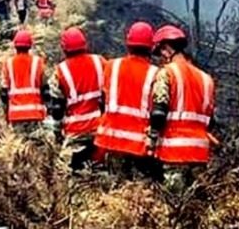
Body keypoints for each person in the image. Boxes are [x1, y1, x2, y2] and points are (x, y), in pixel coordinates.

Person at [147, 25, 215, 196]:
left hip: (174, 152)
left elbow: (159, 112)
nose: (160, 58)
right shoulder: (206, 79)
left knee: (173, 205)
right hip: (200, 153)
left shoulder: (167, 73)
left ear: (167, 48)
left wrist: (152, 140)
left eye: (160, 52)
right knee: (195, 208)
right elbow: (211, 120)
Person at [95, 21, 162, 180]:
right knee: (136, 191)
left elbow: (102, 99)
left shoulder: (111, 66)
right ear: (151, 47)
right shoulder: (156, 74)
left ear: (128, 43)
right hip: (138, 144)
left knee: (113, 187)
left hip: (110, 139)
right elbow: (157, 111)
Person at [48, 27, 108, 172]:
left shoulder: (60, 71)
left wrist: (57, 132)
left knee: (65, 172)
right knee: (101, 170)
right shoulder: (100, 61)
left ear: (64, 48)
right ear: (85, 44)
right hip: (101, 127)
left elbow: (57, 106)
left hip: (77, 131)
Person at [0, 30, 49, 133]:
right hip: (35, 114)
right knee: (36, 146)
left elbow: (4, 93)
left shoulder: (7, 64)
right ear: (30, 46)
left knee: (19, 146)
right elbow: (45, 90)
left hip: (16, 115)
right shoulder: (38, 62)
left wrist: (6, 114)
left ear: (14, 46)